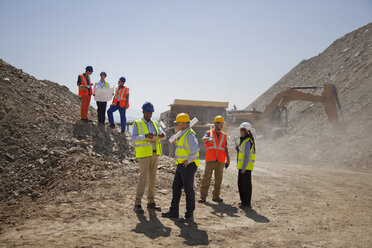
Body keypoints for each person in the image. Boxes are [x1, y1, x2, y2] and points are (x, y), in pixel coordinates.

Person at [162, 113, 199, 222]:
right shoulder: (183, 133)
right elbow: (184, 146)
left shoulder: (190, 134)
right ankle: (174, 211)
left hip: (188, 165)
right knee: (176, 187)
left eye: (178, 123)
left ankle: (189, 215)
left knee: (188, 189)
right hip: (181, 164)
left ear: (183, 123)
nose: (177, 125)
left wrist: (189, 160)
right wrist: (175, 141)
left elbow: (195, 149)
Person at [132, 102, 165, 214]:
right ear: (143, 112)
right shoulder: (137, 123)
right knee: (143, 179)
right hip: (144, 155)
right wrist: (145, 136)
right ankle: (137, 204)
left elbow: (161, 132)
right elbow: (134, 138)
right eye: (147, 112)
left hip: (155, 154)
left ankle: (151, 202)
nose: (149, 114)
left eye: (151, 112)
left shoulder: (155, 123)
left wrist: (161, 135)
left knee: (152, 179)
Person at [199, 115, 230, 203]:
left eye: (222, 124)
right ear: (216, 124)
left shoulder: (224, 135)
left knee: (218, 179)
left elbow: (225, 148)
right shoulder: (209, 133)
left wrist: (228, 159)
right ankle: (203, 197)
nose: (222, 126)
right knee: (206, 178)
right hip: (210, 159)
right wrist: (209, 139)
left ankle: (216, 196)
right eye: (220, 124)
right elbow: (203, 139)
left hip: (220, 160)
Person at [236, 122, 256, 208]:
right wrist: (238, 149)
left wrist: (244, 168)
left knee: (246, 185)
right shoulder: (243, 140)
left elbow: (247, 156)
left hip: (246, 168)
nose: (241, 131)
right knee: (240, 184)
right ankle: (243, 201)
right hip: (242, 167)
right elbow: (242, 152)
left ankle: (247, 202)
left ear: (247, 131)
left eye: (242, 130)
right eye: (240, 130)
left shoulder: (248, 141)